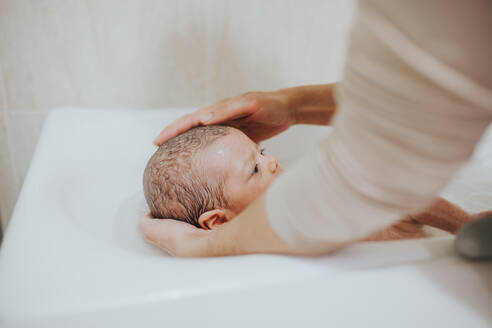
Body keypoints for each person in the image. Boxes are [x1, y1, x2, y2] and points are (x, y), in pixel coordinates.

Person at [140, 1, 492, 257]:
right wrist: (293, 106)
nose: (274, 160)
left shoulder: (299, 200)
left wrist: (463, 222)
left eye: (260, 153)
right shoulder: (260, 251)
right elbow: (425, 91)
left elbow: (408, 197)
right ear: (218, 221)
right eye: (255, 168)